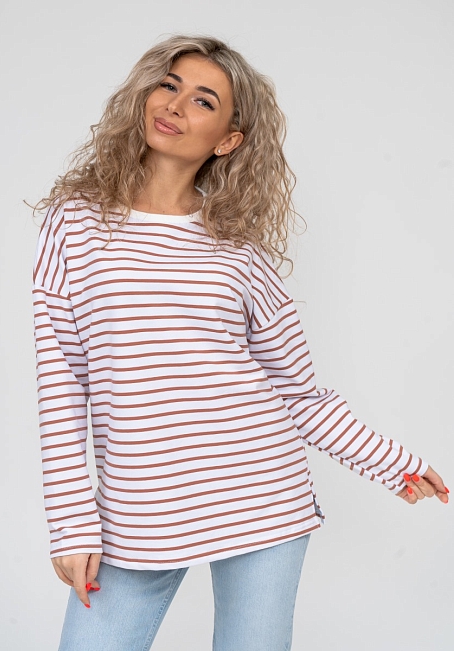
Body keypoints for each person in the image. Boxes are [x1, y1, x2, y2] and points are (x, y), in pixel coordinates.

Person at [31, 34, 448, 651]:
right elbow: (62, 378)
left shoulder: (238, 250)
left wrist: (393, 463)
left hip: (261, 494)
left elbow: (298, 393)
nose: (175, 105)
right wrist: (71, 521)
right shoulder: (75, 219)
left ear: (228, 140)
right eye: (169, 85)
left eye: (203, 101)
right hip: (139, 510)